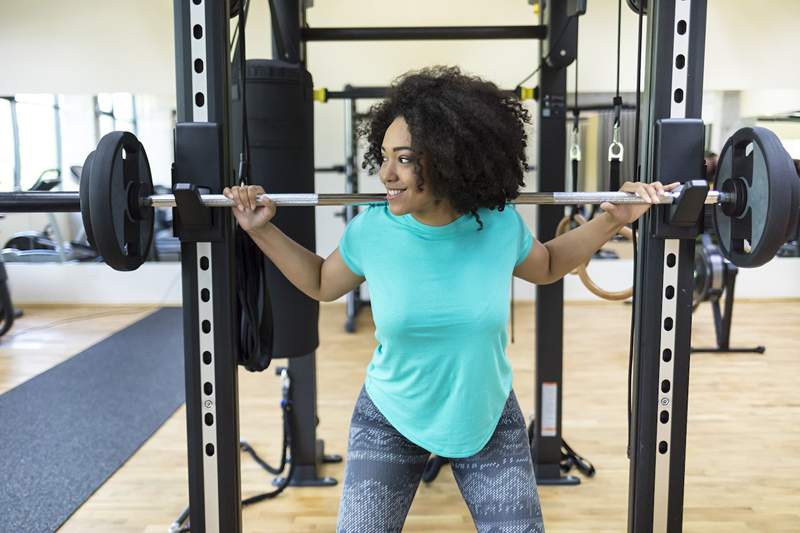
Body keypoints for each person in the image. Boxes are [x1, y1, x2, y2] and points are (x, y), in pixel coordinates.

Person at [224, 66, 675, 533]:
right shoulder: (373, 230)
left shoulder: (497, 225)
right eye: (384, 157)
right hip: (391, 412)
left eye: (404, 159)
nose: (386, 174)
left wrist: (609, 221)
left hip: (484, 413)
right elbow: (321, 282)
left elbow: (545, 266)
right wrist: (262, 230)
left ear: (448, 158)